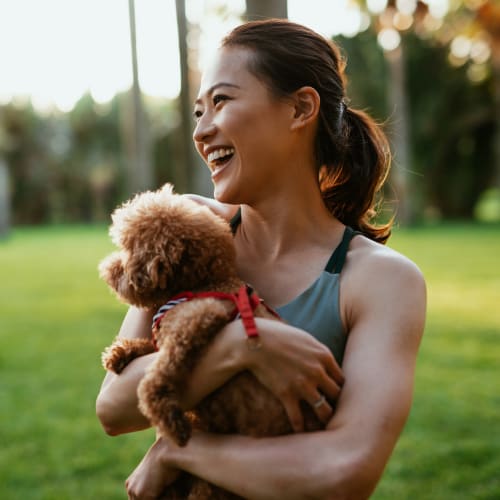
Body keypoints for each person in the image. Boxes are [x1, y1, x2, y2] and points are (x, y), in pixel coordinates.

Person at [96, 19, 426, 499]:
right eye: (197, 110)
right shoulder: (187, 234)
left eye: (222, 101)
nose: (201, 130)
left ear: (300, 108)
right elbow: (115, 407)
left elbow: (346, 469)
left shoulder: (379, 280)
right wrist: (244, 345)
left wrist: (179, 451)